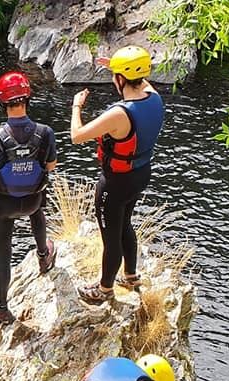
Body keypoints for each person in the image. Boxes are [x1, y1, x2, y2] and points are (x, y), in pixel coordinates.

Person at [68, 46, 165, 302]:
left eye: (115, 75)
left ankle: (104, 289)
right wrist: (118, 64)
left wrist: (76, 106)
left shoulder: (119, 114)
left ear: (120, 79)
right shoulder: (154, 96)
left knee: (110, 237)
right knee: (125, 224)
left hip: (114, 182)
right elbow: (139, 78)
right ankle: (131, 276)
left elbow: (77, 136)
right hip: (140, 174)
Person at [0, 71, 59, 325]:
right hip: (33, 199)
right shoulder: (46, 133)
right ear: (27, 99)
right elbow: (51, 167)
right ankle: (44, 256)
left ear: (2, 104)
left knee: (2, 253)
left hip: (3, 207)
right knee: (37, 212)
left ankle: (1, 308)